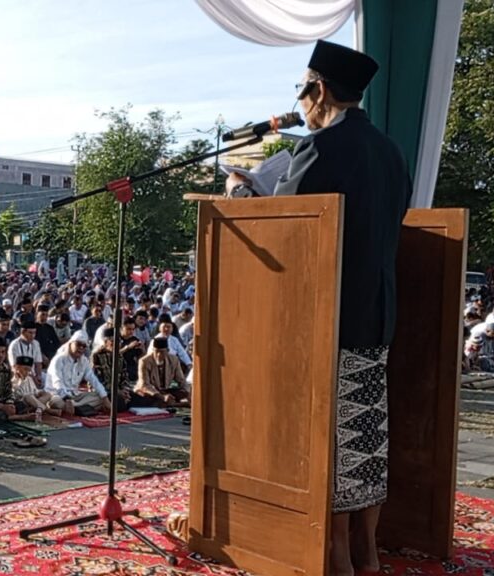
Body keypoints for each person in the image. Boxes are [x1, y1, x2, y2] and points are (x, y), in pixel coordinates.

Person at [225, 40, 412, 576]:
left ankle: (335, 555)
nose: (301, 103)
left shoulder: (321, 147)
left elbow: (287, 228)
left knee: (329, 437)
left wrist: (239, 192)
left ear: (320, 89)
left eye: (302, 90)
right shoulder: (390, 152)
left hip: (323, 319)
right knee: (365, 436)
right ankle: (366, 551)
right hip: (376, 315)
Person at [46, 332, 111, 416]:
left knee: (100, 397)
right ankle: (79, 407)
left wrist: (105, 398)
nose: (81, 348)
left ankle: (75, 407)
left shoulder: (84, 361)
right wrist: (66, 399)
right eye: (78, 344)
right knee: (56, 402)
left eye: (84, 346)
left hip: (75, 395)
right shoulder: (59, 359)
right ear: (71, 344)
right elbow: (57, 382)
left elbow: (93, 379)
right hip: (58, 395)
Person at [134, 337, 189, 407]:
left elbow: (181, 380)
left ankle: (169, 403)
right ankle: (175, 404)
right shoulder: (144, 361)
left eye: (162, 352)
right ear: (153, 350)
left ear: (167, 351)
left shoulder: (174, 360)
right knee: (145, 397)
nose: (158, 355)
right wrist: (162, 397)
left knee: (183, 393)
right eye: (156, 351)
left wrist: (187, 392)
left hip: (164, 390)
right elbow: (145, 385)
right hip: (149, 391)